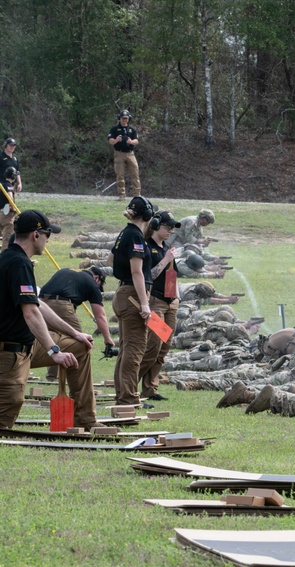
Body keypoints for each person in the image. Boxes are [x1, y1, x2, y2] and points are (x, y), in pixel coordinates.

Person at [0, 210, 101, 429]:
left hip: (28, 345)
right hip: (10, 352)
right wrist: (53, 351)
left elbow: (38, 305)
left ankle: (85, 420)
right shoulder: (18, 263)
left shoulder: (17, 259)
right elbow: (31, 313)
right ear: (36, 235)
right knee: (7, 412)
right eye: (48, 235)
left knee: (80, 346)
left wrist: (74, 333)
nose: (47, 240)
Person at [111, 196, 155, 405]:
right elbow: (137, 272)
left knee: (127, 347)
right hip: (133, 294)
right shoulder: (136, 236)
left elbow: (110, 260)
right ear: (147, 216)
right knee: (136, 348)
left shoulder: (125, 233)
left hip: (124, 292)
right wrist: (144, 303)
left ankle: (123, 394)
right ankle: (128, 397)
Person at [39, 267, 116, 380]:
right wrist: (108, 338)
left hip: (41, 303)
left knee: (54, 339)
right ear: (96, 278)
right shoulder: (92, 283)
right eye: (99, 284)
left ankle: (52, 377)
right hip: (62, 304)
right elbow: (100, 315)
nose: (98, 287)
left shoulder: (67, 271)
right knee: (81, 343)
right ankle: (79, 382)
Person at [137, 210, 180, 401]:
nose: (170, 230)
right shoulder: (147, 247)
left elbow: (173, 275)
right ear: (155, 226)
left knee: (164, 347)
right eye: (167, 227)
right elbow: (149, 276)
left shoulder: (167, 248)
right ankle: (129, 384)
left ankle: (150, 389)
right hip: (155, 301)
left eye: (172, 227)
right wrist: (166, 260)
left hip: (171, 303)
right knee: (153, 345)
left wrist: (177, 298)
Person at [108, 110, 140, 199]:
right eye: (123, 118)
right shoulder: (114, 129)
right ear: (119, 118)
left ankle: (137, 195)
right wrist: (116, 140)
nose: (124, 120)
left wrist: (130, 141)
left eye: (126, 118)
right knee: (120, 175)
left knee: (135, 173)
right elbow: (110, 140)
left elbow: (136, 140)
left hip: (130, 153)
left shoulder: (132, 129)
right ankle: (122, 195)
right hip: (119, 153)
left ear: (129, 119)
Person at [1, 167, 17, 250]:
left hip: (1, 212)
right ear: (13, 176)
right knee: (7, 237)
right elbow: (10, 197)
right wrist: (14, 209)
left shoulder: (2, 184)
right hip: (7, 215)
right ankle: (4, 256)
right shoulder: (9, 186)